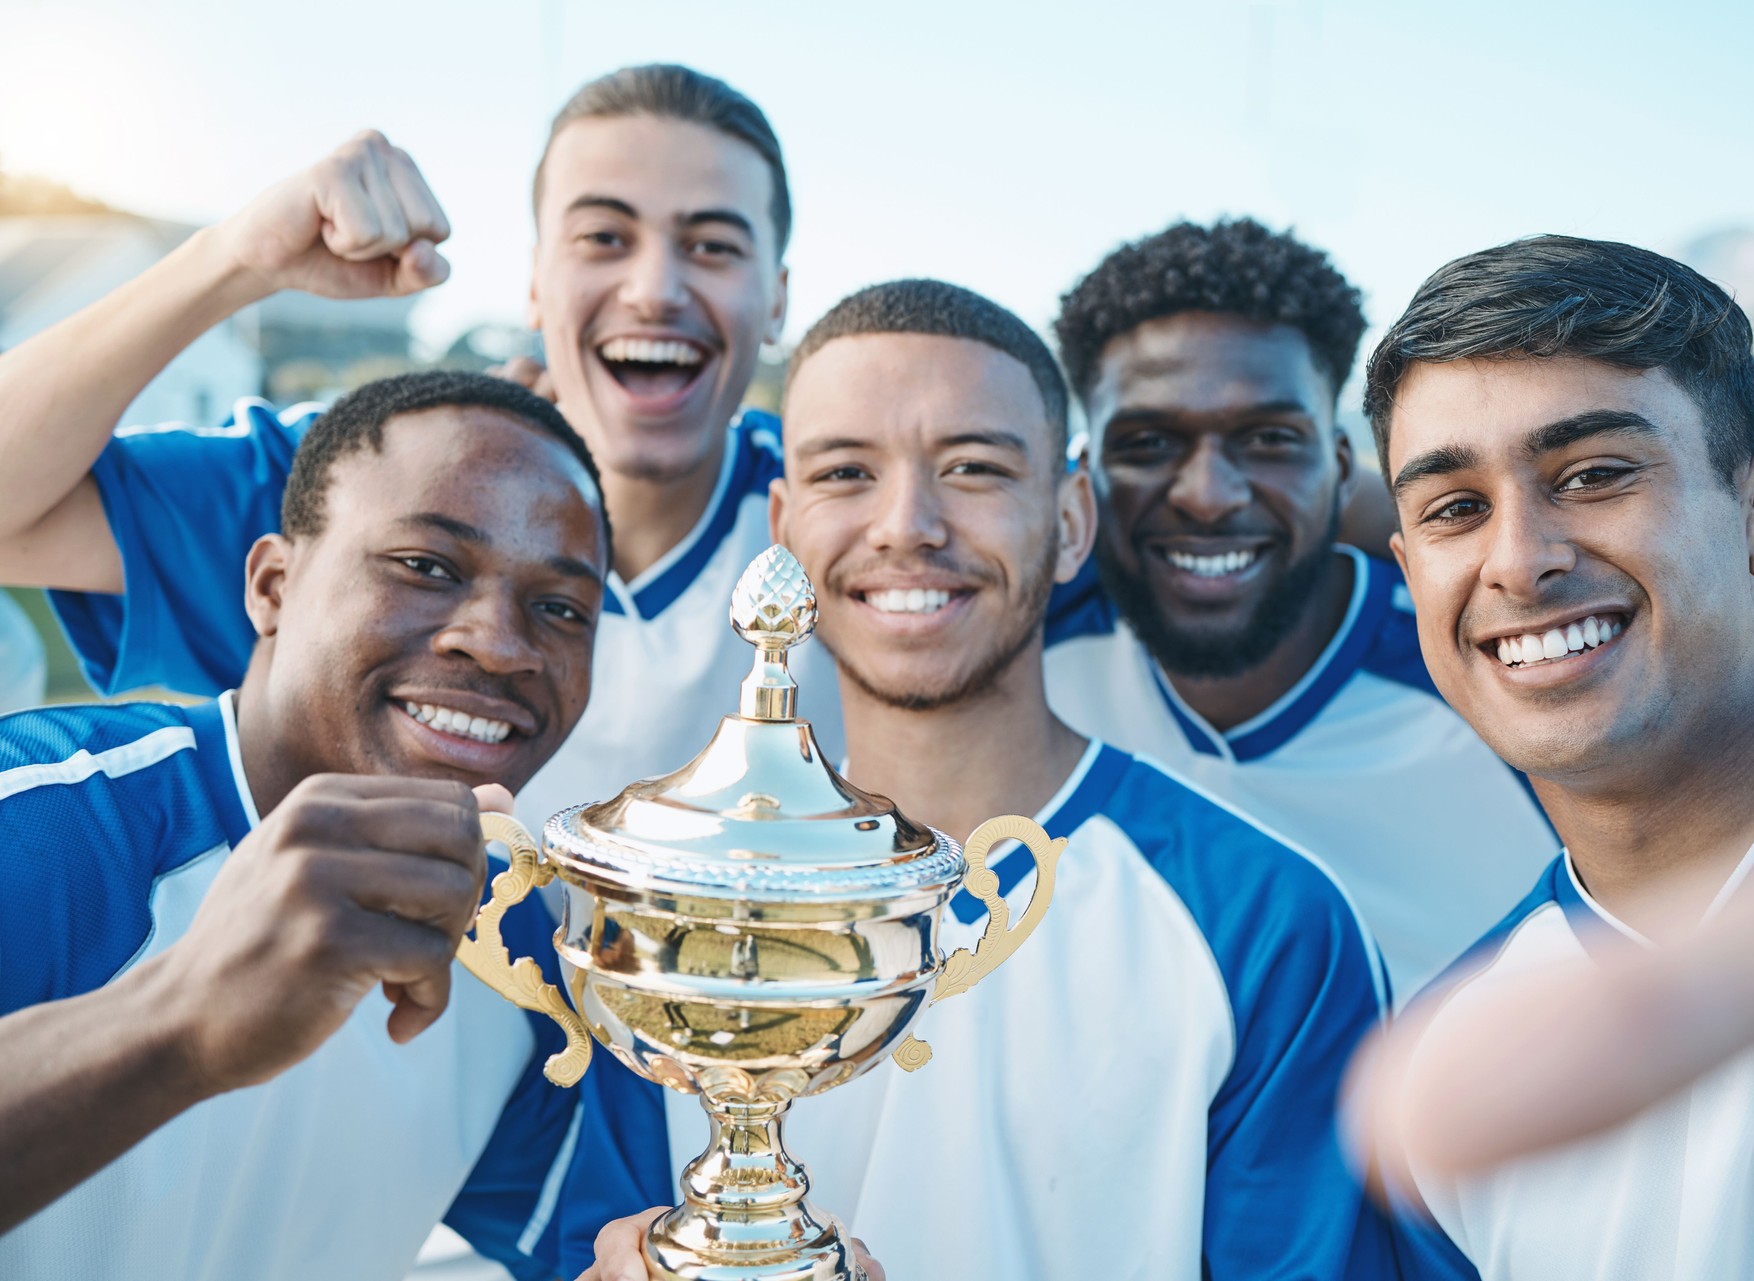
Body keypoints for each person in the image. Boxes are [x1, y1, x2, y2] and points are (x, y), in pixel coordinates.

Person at [584, 279, 1396, 1280]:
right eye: (847, 472)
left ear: (1070, 521)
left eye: (973, 467)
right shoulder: (659, 902)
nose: (906, 525)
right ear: (783, 530)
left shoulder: (1265, 922)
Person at [1353, 0, 1754, 1189]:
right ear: (1407, 580)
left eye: (1597, 474)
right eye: (1454, 507)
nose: (1521, 560)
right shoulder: (1471, 1047)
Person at [0, 63, 838, 836]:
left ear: (777, 301)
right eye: (604, 239)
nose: (655, 289)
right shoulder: (365, 486)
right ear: (536, 282)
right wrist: (232, 261)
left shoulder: (846, 527)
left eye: (714, 246)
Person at [0, 371, 675, 1279]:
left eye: (560, 608)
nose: (499, 643)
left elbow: (601, 1247)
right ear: (273, 584)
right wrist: (181, 1018)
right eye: (427, 566)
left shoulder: (520, 945)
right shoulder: (43, 818)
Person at [1045, 219, 1556, 997]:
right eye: (1148, 443)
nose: (1209, 496)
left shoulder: (1501, 673)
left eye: (1269, 439)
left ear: (1342, 467)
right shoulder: (1016, 644)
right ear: (1083, 476)